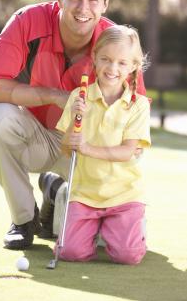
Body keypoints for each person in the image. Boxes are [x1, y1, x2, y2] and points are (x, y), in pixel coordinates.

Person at [0, 0, 146, 250]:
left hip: (88, 149)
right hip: (37, 138)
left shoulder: (117, 41)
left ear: (105, 4)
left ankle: (57, 190)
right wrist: (52, 95)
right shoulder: (28, 21)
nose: (83, 8)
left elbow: (135, 122)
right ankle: (25, 219)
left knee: (109, 245)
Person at [55, 25, 151, 265]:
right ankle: (60, 197)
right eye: (106, 59)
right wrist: (72, 125)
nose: (112, 68)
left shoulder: (138, 105)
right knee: (70, 253)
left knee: (127, 256)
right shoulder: (79, 96)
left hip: (124, 195)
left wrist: (87, 148)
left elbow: (128, 151)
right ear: (95, 59)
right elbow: (66, 148)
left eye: (121, 62)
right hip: (85, 193)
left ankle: (127, 227)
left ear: (133, 66)